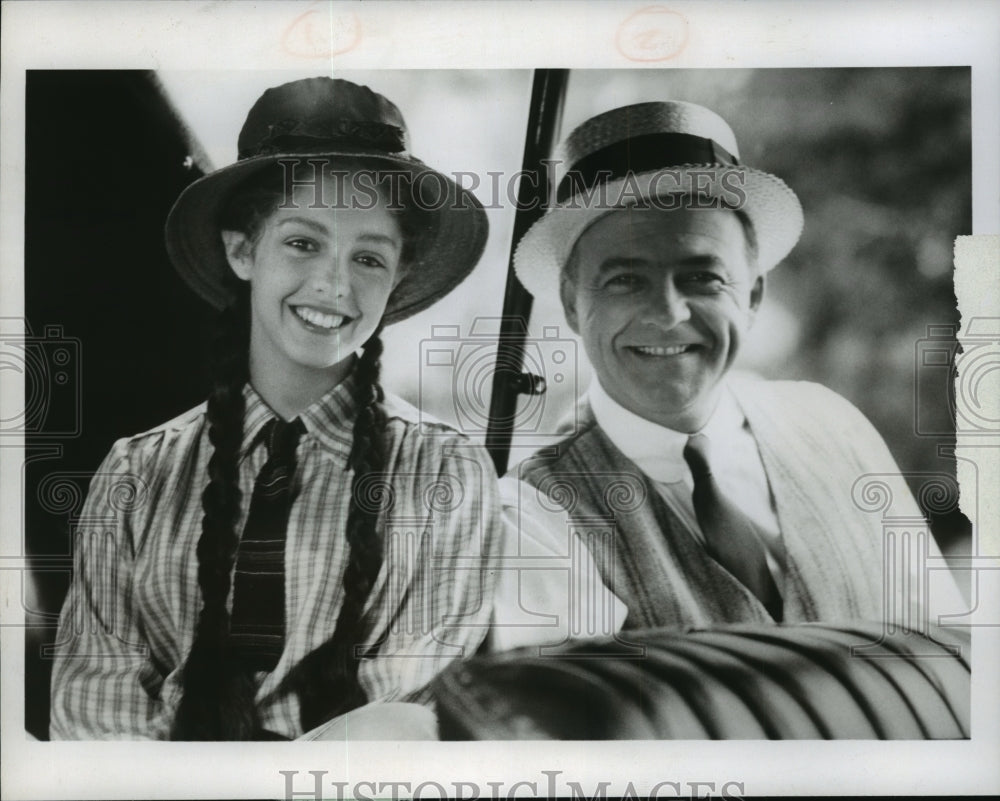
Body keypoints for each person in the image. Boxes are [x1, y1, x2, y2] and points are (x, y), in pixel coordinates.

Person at [49, 76, 501, 740]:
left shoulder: (445, 474)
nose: (334, 284)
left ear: (397, 277)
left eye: (368, 257)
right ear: (242, 250)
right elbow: (95, 707)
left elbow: (410, 714)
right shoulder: (135, 473)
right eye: (303, 243)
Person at [497, 100, 964, 638]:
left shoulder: (834, 428)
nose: (669, 314)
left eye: (702, 278)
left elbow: (948, 647)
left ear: (753, 295)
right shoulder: (534, 514)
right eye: (625, 280)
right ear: (572, 304)